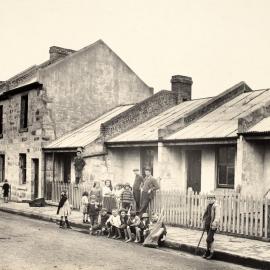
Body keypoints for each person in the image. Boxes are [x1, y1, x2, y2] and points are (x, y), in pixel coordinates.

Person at [202, 192, 220, 260]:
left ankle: (211, 252)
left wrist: (214, 223)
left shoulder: (216, 206)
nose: (210, 200)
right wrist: (204, 220)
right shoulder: (208, 205)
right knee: (210, 239)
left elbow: (217, 216)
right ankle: (208, 252)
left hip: (213, 225)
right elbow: (206, 214)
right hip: (207, 225)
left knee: (208, 239)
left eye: (211, 198)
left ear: (214, 199)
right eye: (208, 198)